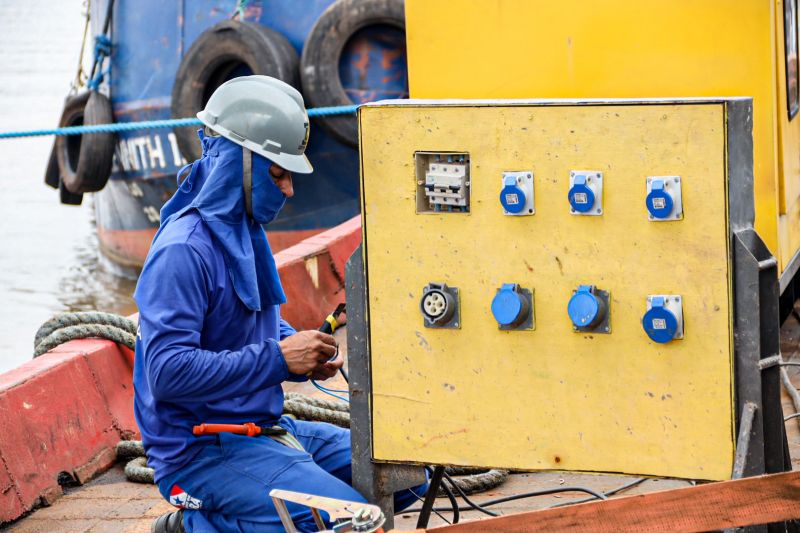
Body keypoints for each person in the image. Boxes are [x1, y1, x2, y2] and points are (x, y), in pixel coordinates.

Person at [134, 75, 425, 532]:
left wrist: (301, 353)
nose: (289, 190)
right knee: (348, 521)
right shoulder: (182, 252)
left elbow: (252, 327)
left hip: (262, 425)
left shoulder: (244, 232)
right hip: (200, 451)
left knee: (407, 478)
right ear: (239, 164)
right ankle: (193, 527)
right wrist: (277, 359)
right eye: (278, 173)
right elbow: (168, 374)